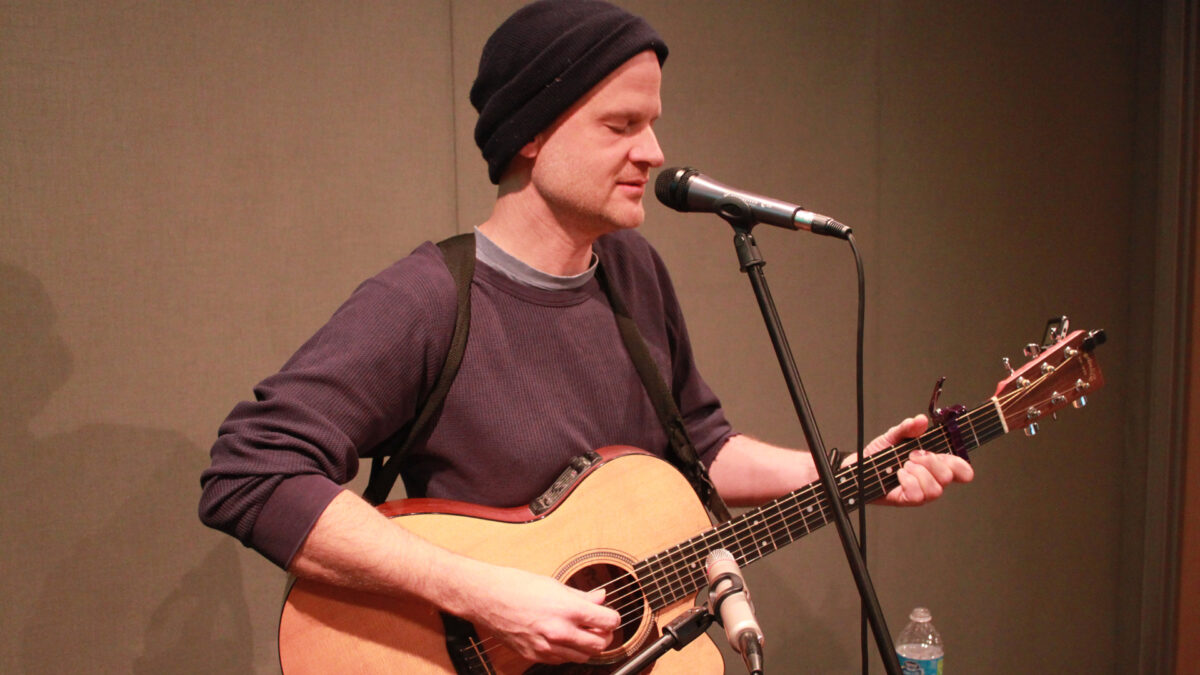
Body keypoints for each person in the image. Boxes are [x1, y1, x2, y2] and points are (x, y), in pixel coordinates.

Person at [199, 0, 973, 667]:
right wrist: (484, 592)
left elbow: (703, 448)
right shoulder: (429, 298)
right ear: (531, 135)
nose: (654, 152)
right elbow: (250, 472)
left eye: (653, 124)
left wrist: (845, 469)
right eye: (621, 125)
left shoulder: (632, 273)